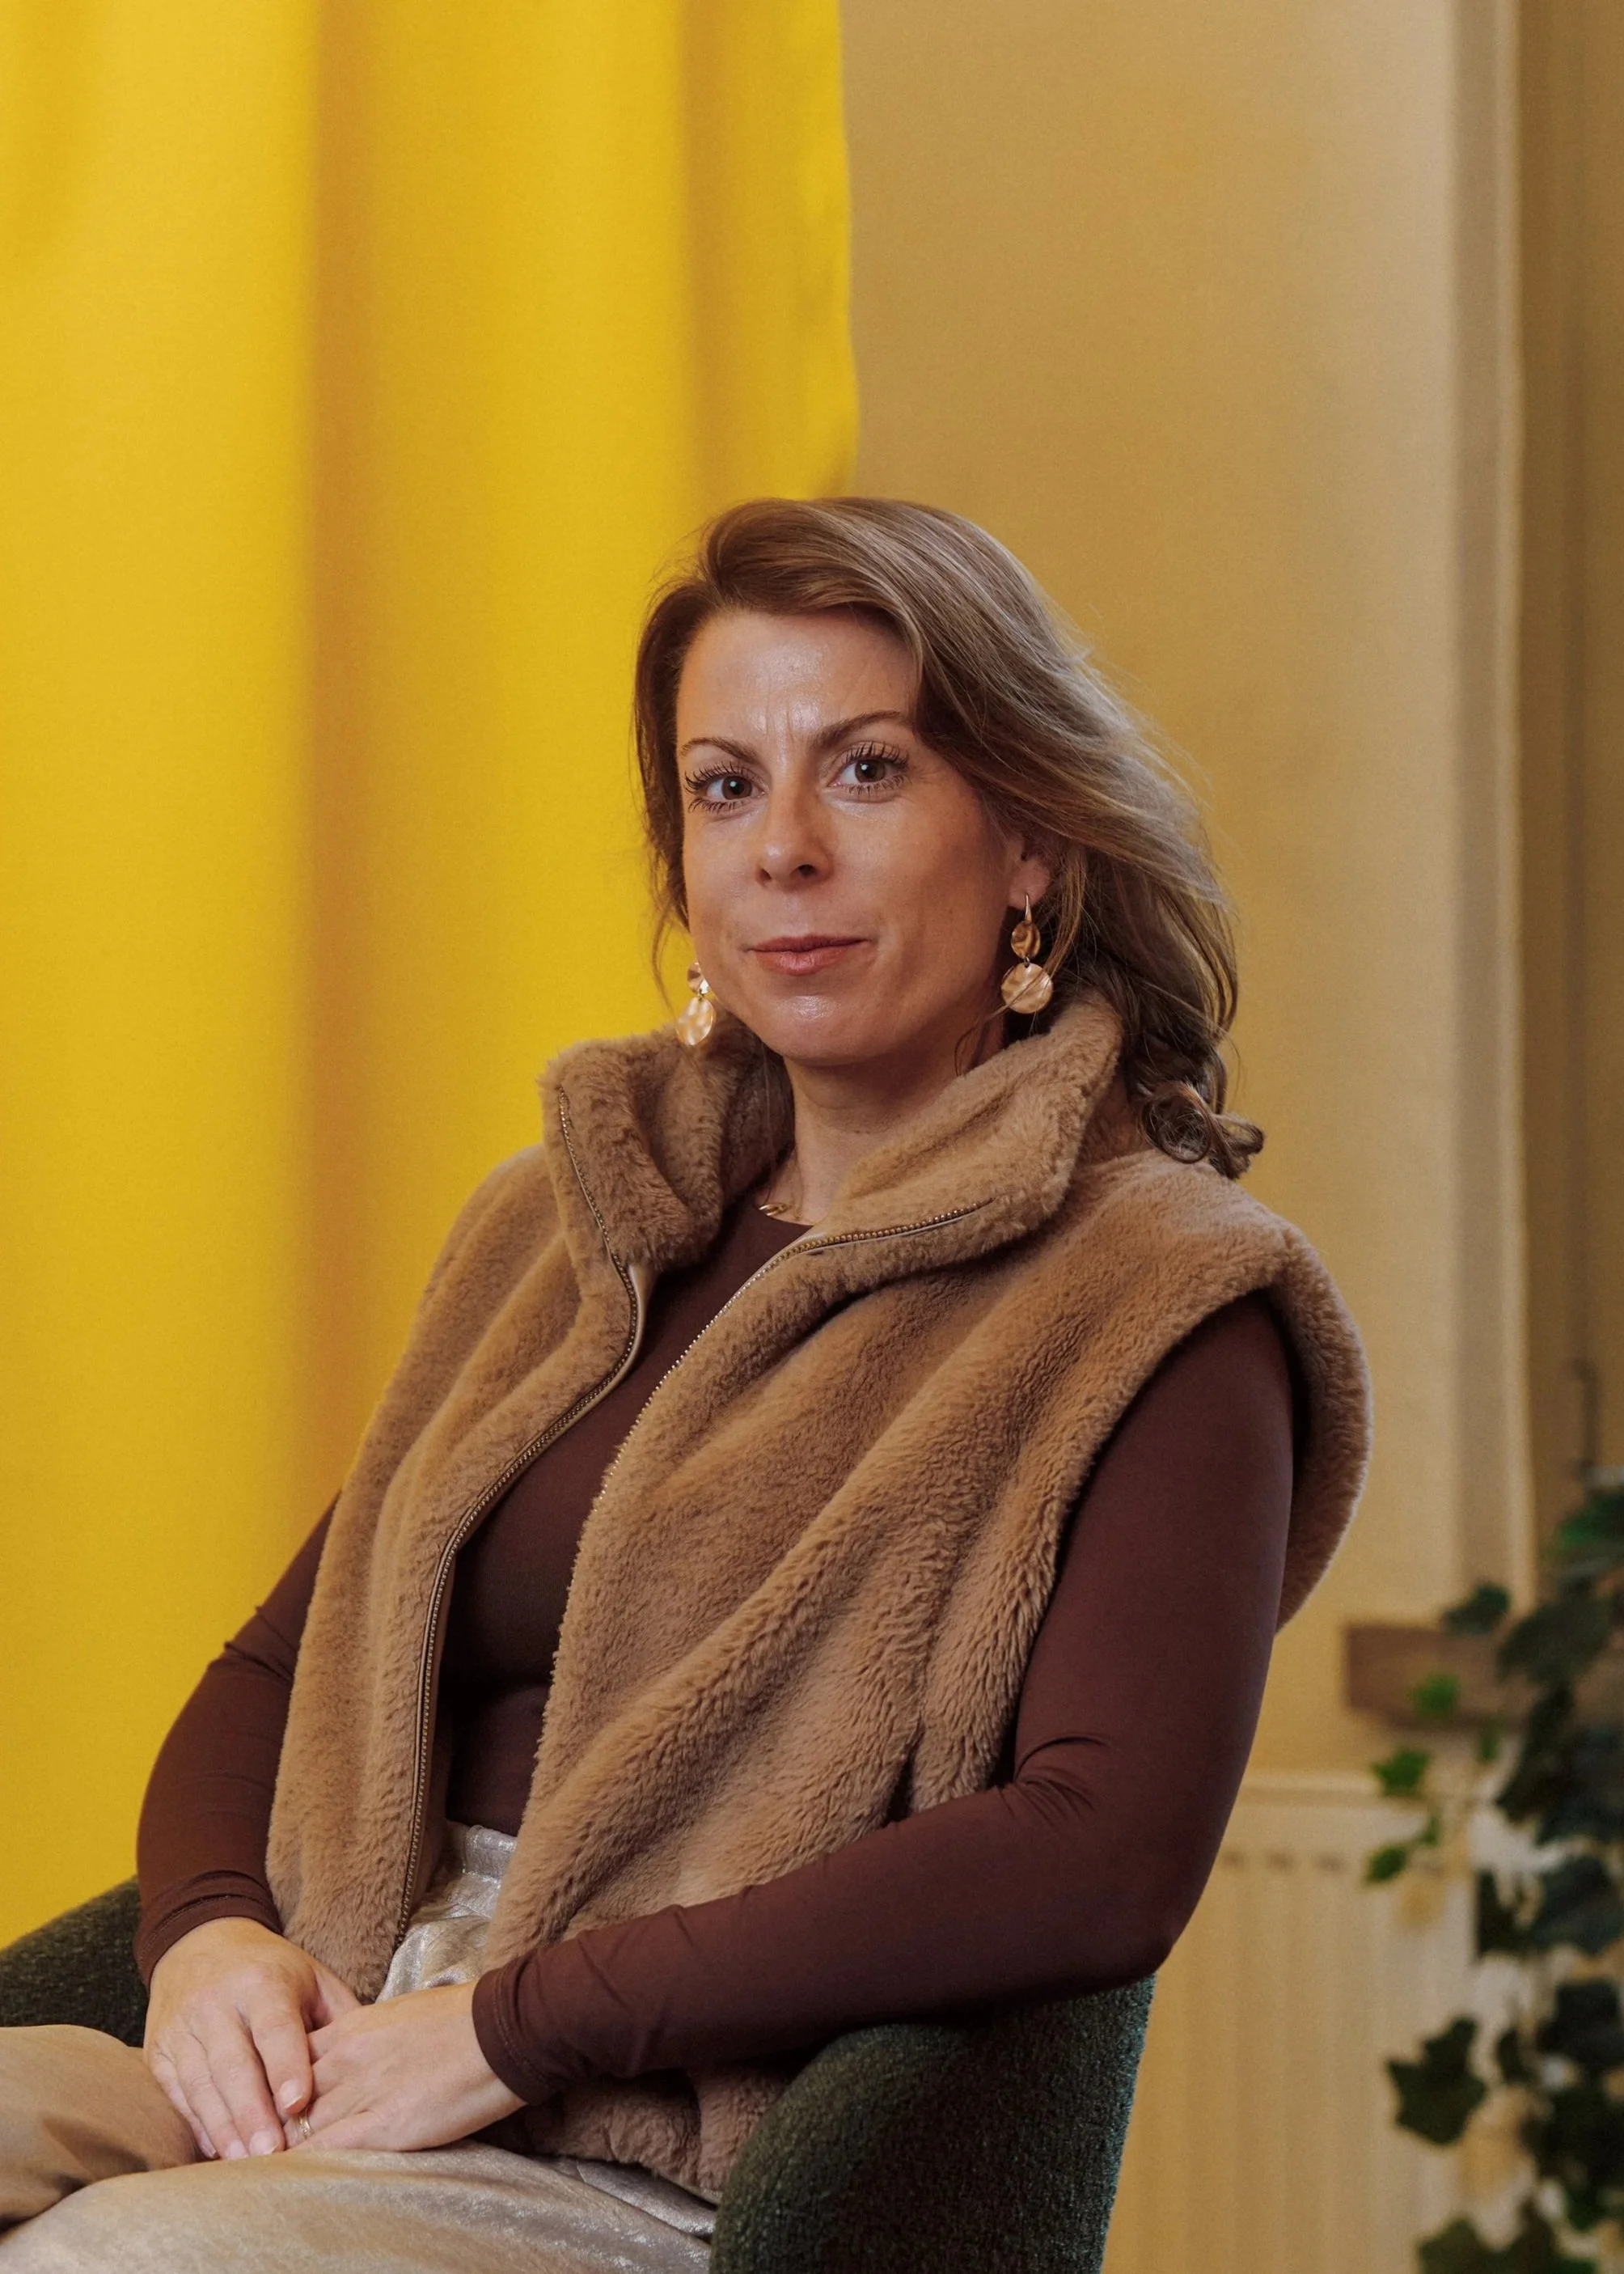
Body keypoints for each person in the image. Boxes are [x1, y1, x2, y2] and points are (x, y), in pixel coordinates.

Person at [0, 498, 1369, 2268]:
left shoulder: (1163, 1303)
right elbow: (286, 1656)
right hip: (339, 2037)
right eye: (724, 786)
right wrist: (201, 1937)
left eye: (864, 772)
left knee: (127, 2262)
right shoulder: (557, 1227)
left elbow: (1092, 1851)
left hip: (663, 2148)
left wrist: (513, 2026)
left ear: (1026, 842)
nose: (781, 848)